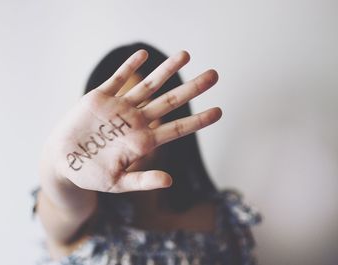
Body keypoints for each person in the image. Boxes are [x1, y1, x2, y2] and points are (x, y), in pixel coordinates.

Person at [31, 42, 261, 265]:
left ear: (171, 114)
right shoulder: (82, 215)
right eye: (112, 116)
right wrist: (59, 165)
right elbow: (61, 202)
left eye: (140, 109)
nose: (122, 130)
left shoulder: (220, 219)